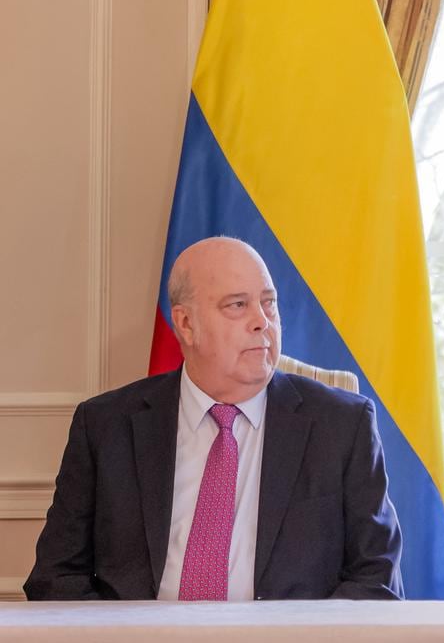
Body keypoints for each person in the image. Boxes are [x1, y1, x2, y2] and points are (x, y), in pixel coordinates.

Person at [24, 237, 404, 601]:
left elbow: (377, 580)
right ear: (186, 325)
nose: (262, 321)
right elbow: (56, 578)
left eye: (268, 303)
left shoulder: (342, 425)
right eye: (237, 305)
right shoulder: (106, 426)